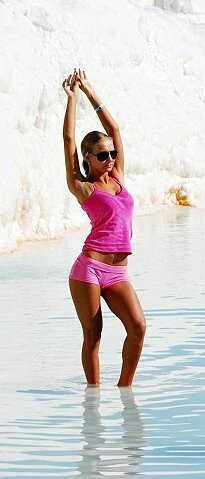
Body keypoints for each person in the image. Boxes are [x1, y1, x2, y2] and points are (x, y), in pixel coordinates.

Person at [62, 69, 146, 387]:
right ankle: (93, 398)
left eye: (112, 152)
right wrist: (71, 100)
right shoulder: (83, 187)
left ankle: (125, 390)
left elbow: (115, 128)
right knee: (94, 335)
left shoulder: (118, 175)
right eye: (103, 154)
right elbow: (69, 140)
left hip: (119, 272)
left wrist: (89, 91)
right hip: (90, 270)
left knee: (137, 327)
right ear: (88, 158)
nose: (111, 157)